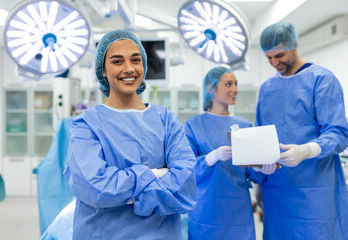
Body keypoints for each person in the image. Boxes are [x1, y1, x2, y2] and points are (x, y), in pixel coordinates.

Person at [63, 29, 197, 240]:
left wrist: (125, 191)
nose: (129, 68)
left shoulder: (165, 119)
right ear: (103, 70)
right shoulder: (86, 124)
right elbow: (94, 186)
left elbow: (186, 182)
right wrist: (156, 174)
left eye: (136, 60)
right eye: (117, 61)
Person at [256, 22, 348, 239]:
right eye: (269, 58)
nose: (274, 63)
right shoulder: (267, 89)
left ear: (294, 45)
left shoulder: (321, 80)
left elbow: (338, 132)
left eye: (279, 55)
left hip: (315, 190)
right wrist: (260, 177)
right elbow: (260, 136)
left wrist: (306, 150)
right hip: (276, 189)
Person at [184, 66, 277, 240]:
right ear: (211, 89)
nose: (235, 89)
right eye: (228, 84)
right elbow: (185, 171)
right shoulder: (193, 125)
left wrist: (261, 169)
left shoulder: (244, 126)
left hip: (238, 211)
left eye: (236, 84)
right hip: (207, 211)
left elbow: (250, 172)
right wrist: (212, 157)